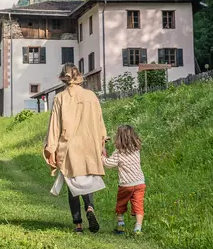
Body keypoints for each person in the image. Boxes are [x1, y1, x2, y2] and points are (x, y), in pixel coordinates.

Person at [43, 63, 108, 234]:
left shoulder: (60, 98)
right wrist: (102, 143)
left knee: (73, 185)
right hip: (89, 144)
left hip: (69, 146)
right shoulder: (91, 96)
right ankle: (90, 208)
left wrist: (51, 148)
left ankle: (78, 224)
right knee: (86, 181)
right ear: (79, 76)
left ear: (63, 78)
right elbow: (99, 122)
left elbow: (54, 126)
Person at [103, 125, 145, 235]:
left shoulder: (118, 153)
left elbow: (108, 164)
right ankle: (138, 228)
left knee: (121, 205)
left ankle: (120, 226)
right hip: (140, 183)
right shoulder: (136, 150)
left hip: (126, 185)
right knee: (139, 206)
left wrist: (101, 154)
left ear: (119, 138)